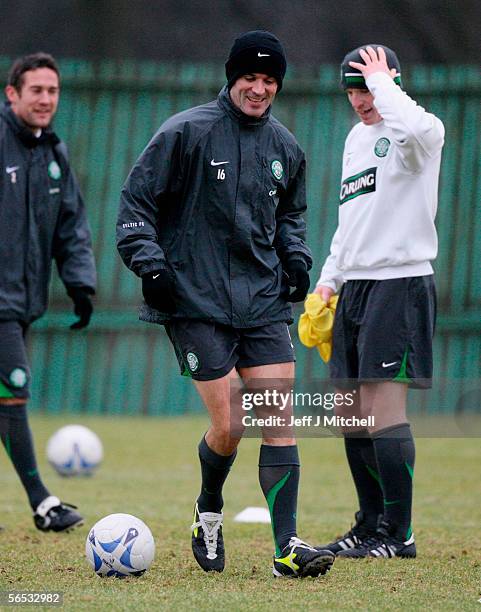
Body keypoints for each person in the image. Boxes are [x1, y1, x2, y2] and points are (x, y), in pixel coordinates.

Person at [117, 30, 335, 577]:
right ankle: (208, 508)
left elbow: (290, 219)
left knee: (277, 418)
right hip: (195, 301)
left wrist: (297, 258)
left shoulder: (286, 148)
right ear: (231, 77)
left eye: (269, 81)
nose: (259, 89)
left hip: (261, 302)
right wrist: (152, 264)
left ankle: (286, 549)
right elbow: (135, 206)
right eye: (249, 78)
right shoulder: (185, 133)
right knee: (234, 419)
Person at [314, 45, 444, 558]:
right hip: (356, 286)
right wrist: (329, 280)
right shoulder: (356, 138)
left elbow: (418, 130)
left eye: (367, 87)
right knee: (351, 411)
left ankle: (400, 532)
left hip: (400, 282)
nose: (360, 99)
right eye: (353, 88)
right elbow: (353, 218)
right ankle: (370, 525)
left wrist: (384, 82)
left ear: (390, 82)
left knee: (384, 409)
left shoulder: (415, 133)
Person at [0, 53, 96, 532]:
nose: (45, 99)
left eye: (52, 91)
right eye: (35, 90)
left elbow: (71, 228)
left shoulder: (53, 155)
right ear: (12, 93)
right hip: (2, 304)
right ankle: (43, 502)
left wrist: (80, 284)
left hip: (20, 302)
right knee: (13, 390)